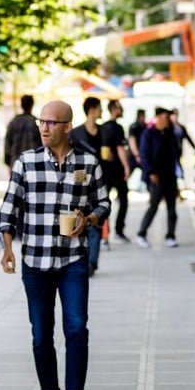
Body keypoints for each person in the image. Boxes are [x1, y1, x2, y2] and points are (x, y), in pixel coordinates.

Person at [0, 100, 109, 390]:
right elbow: (9, 208)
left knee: (76, 329)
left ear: (66, 127)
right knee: (41, 334)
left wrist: (88, 218)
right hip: (35, 261)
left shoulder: (88, 162)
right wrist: (7, 249)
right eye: (41, 122)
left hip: (73, 259)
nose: (43, 128)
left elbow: (104, 202)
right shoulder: (26, 163)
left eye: (51, 122)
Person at [69, 97, 106, 273]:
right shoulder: (76, 134)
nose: (102, 111)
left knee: (98, 216)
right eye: (100, 108)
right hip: (82, 181)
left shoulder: (104, 131)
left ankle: (92, 261)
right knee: (82, 216)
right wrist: (79, 183)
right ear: (92, 109)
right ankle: (82, 257)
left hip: (102, 178)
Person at [135, 107, 180, 248]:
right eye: (167, 117)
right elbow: (144, 154)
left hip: (170, 176)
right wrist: (151, 173)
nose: (169, 120)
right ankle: (141, 233)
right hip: (156, 177)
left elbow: (176, 152)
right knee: (153, 206)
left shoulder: (170, 133)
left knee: (172, 208)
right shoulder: (149, 134)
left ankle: (171, 235)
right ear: (159, 118)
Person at [99, 99, 131, 242]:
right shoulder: (117, 128)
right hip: (117, 170)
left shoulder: (102, 127)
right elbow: (120, 148)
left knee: (104, 202)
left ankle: (104, 233)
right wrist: (126, 166)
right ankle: (118, 230)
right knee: (123, 199)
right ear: (113, 109)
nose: (122, 109)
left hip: (104, 171)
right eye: (119, 107)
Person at [3, 94, 41, 169]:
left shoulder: (14, 122)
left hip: (16, 162)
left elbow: (7, 142)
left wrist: (8, 161)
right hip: (33, 162)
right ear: (32, 105)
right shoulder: (36, 122)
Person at [127, 109, 147, 188]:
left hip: (141, 154)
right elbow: (132, 141)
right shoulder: (135, 127)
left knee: (147, 172)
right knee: (128, 172)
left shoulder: (144, 126)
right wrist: (137, 155)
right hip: (135, 155)